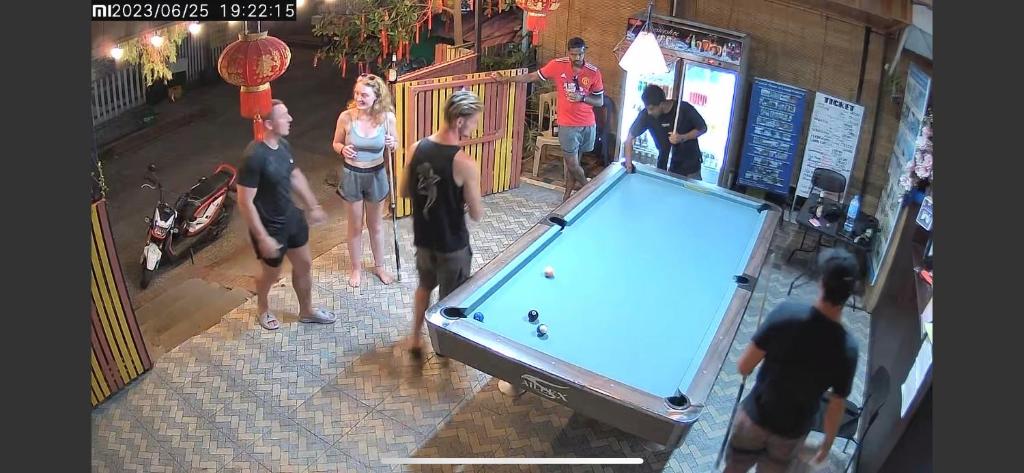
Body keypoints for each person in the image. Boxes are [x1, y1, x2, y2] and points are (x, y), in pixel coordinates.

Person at [724, 248, 860, 472]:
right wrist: (827, 443)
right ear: (850, 293)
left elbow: (744, 366)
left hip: (754, 418)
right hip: (791, 434)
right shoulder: (848, 349)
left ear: (822, 282)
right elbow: (836, 406)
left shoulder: (785, 314)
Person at [237, 99, 337, 330]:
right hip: (270, 227)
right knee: (272, 274)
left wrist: (313, 205)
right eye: (284, 116)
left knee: (304, 265)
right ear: (269, 123)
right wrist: (262, 238)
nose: (290, 119)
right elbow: (245, 201)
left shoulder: (282, 145)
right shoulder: (253, 157)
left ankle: (307, 310)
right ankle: (262, 307)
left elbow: (294, 175)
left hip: (292, 217)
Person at [403, 90, 485, 359]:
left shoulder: (416, 148)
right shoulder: (465, 163)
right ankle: (443, 348)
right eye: (473, 121)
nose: (475, 127)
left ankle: (415, 338)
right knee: (450, 301)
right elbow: (476, 214)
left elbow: (404, 190)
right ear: (460, 121)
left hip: (424, 241)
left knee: (424, 286)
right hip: (452, 246)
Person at [499, 37, 604, 201]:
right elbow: (532, 77)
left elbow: (599, 101)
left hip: (587, 124)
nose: (577, 58)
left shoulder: (593, 72)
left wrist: (582, 98)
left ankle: (567, 197)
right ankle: (590, 192)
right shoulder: (557, 65)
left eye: (580, 54)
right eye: (573, 54)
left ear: (585, 51)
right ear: (568, 52)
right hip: (567, 124)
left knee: (573, 165)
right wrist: (507, 79)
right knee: (573, 164)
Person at [332, 74, 399, 287]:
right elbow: (335, 143)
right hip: (352, 175)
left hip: (376, 175)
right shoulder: (346, 117)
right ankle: (356, 269)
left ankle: (379, 267)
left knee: (376, 226)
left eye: (364, 94)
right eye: (357, 93)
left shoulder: (387, 118)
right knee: (355, 226)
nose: (359, 98)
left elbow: (395, 145)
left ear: (377, 97)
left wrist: (392, 142)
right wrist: (343, 149)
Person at [622, 84, 707, 179]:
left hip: (690, 167)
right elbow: (629, 138)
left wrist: (682, 137)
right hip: (663, 165)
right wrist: (628, 163)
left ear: (661, 104)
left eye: (651, 109)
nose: (649, 112)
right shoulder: (646, 115)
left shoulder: (684, 108)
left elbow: (703, 128)